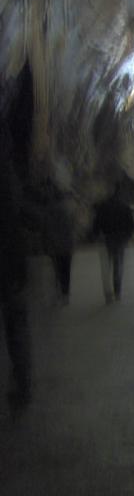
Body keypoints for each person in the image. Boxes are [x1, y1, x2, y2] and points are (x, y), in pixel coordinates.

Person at [1, 164, 33, 405]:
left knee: (16, 327)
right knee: (16, 328)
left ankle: (22, 384)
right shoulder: (10, 188)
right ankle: (23, 384)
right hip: (12, 268)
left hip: (10, 268)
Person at [92, 183, 134, 303]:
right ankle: (117, 292)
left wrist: (96, 235)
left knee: (106, 268)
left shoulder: (103, 206)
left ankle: (107, 294)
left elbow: (96, 224)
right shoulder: (125, 207)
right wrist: (126, 237)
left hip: (106, 240)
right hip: (120, 240)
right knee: (118, 266)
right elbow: (131, 226)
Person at [42, 186, 74, 305]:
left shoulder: (49, 211)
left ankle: (58, 293)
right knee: (66, 270)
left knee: (57, 271)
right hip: (66, 245)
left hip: (55, 246)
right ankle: (65, 294)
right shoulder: (66, 211)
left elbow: (47, 230)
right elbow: (69, 229)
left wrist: (47, 244)